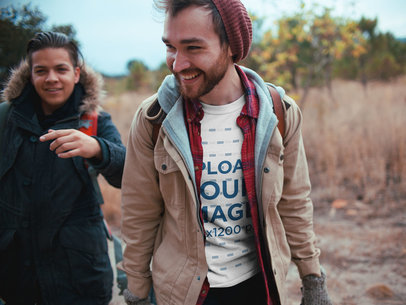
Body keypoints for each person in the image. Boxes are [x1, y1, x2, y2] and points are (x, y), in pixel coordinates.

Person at [120, 1, 332, 305]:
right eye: (171, 47)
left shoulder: (278, 113)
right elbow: (139, 214)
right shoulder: (154, 119)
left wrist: (312, 279)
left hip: (262, 287)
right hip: (189, 294)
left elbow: (295, 202)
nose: (177, 64)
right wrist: (137, 292)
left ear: (232, 46)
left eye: (193, 48)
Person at [0, 31, 125, 305]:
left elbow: (127, 175)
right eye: (41, 70)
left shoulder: (94, 120)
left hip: (80, 279)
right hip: (17, 278)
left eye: (61, 69)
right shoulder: (6, 118)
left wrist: (96, 148)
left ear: (77, 73)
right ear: (30, 75)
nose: (51, 78)